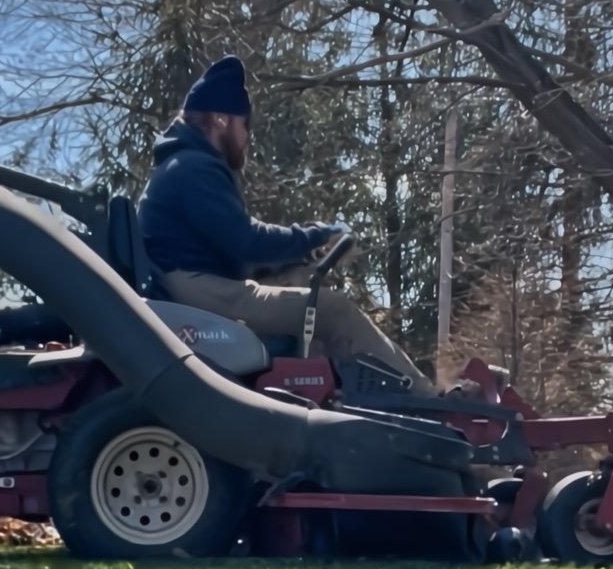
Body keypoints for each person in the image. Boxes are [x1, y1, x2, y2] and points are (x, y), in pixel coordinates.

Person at [137, 55, 434, 391]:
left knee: (304, 284)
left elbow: (234, 244)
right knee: (334, 310)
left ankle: (341, 397)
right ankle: (428, 400)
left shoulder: (181, 166)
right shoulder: (193, 168)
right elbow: (246, 242)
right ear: (220, 120)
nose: (247, 137)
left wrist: (303, 255)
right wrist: (317, 236)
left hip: (193, 283)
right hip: (199, 290)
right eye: (244, 124)